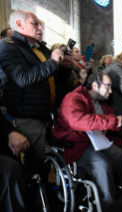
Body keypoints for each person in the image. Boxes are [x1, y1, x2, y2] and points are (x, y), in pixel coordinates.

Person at [52, 72, 122, 212]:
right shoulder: (74, 97)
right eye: (107, 86)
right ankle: (108, 206)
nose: (110, 90)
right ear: (95, 85)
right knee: (102, 165)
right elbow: (77, 120)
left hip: (99, 142)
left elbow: (105, 125)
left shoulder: (103, 104)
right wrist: (113, 121)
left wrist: (114, 125)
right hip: (79, 144)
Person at [0, 10, 73, 166]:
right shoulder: (8, 46)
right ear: (19, 24)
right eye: (35, 23)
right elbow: (22, 78)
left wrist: (65, 67)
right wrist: (52, 62)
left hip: (48, 114)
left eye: (41, 24)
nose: (41, 28)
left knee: (49, 164)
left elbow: (53, 81)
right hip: (28, 118)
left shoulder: (40, 49)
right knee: (35, 166)